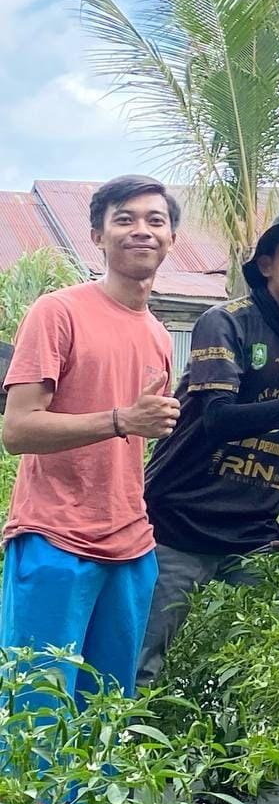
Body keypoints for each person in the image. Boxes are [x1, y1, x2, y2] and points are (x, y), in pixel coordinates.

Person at [135, 210, 279, 687]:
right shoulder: (226, 322)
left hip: (254, 536)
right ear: (267, 264)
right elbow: (217, 418)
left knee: (265, 671)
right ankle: (116, 754)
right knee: (140, 664)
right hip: (179, 524)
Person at [1, 175, 179, 722]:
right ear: (98, 236)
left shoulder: (159, 334)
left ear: (171, 237)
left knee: (104, 712)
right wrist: (122, 419)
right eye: (124, 219)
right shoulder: (58, 312)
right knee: (35, 711)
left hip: (131, 545)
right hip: (54, 538)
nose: (141, 230)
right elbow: (17, 429)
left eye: (155, 220)